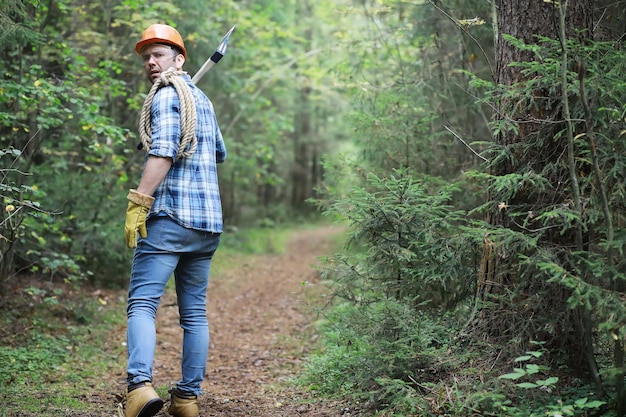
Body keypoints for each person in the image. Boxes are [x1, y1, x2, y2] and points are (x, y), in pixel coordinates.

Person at [120, 23, 226, 417]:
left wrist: (139, 201)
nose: (151, 61)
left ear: (179, 60)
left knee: (142, 304)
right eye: (146, 56)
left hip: (169, 219)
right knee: (194, 313)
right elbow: (218, 153)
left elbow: (163, 151)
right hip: (207, 225)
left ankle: (138, 390)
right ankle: (186, 399)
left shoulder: (168, 95)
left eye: (159, 54)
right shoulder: (203, 100)